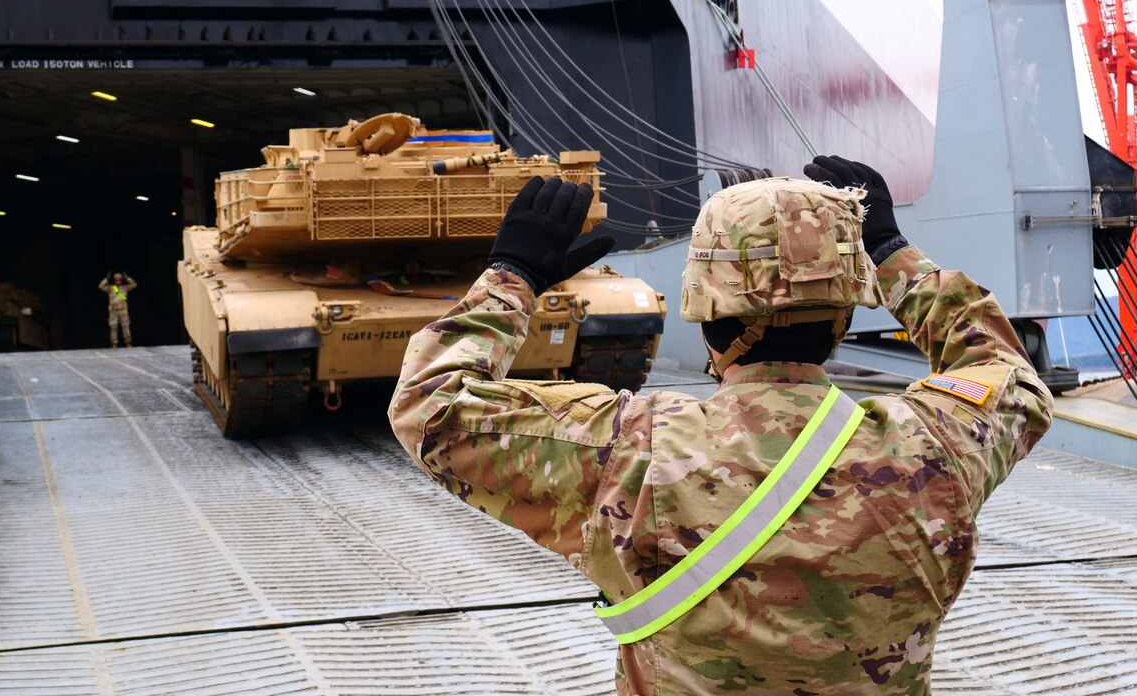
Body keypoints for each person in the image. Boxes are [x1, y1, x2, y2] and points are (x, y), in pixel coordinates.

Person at [388, 158, 1053, 695]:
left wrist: (514, 277)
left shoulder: (628, 450)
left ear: (707, 320)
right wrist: (892, 251)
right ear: (847, 318)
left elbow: (430, 408)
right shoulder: (938, 444)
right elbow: (1007, 371)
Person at [98, 271, 137, 348]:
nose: (118, 281)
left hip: (123, 310)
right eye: (116, 280)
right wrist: (106, 279)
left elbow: (134, 285)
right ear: (114, 280)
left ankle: (128, 342)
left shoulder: (125, 287)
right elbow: (101, 286)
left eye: (119, 280)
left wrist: (127, 278)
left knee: (126, 327)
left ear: (122, 280)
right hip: (113, 311)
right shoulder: (110, 288)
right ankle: (114, 343)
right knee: (113, 327)